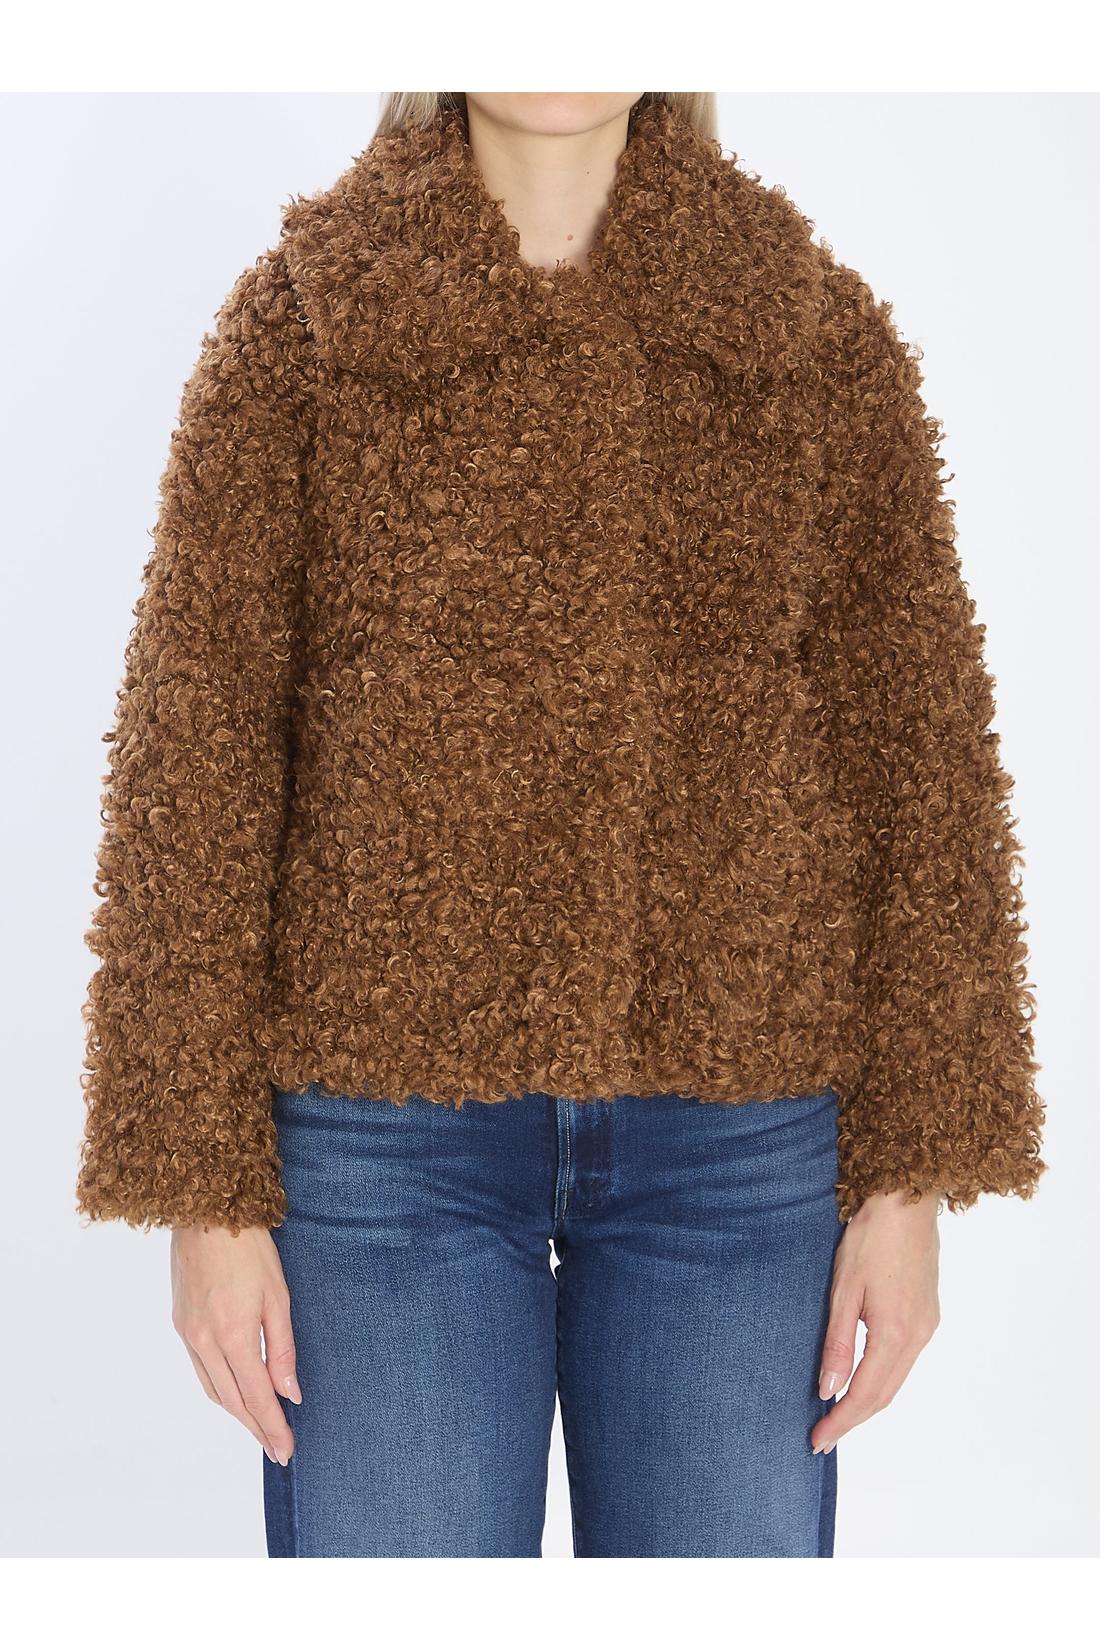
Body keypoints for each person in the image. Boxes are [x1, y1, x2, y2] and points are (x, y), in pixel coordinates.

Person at [75, 91, 1046, 1558]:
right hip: (382, 1129)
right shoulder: (304, 329)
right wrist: (198, 1191)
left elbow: (922, 759)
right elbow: (193, 761)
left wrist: (912, 1179)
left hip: (737, 1131)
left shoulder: (806, 333)